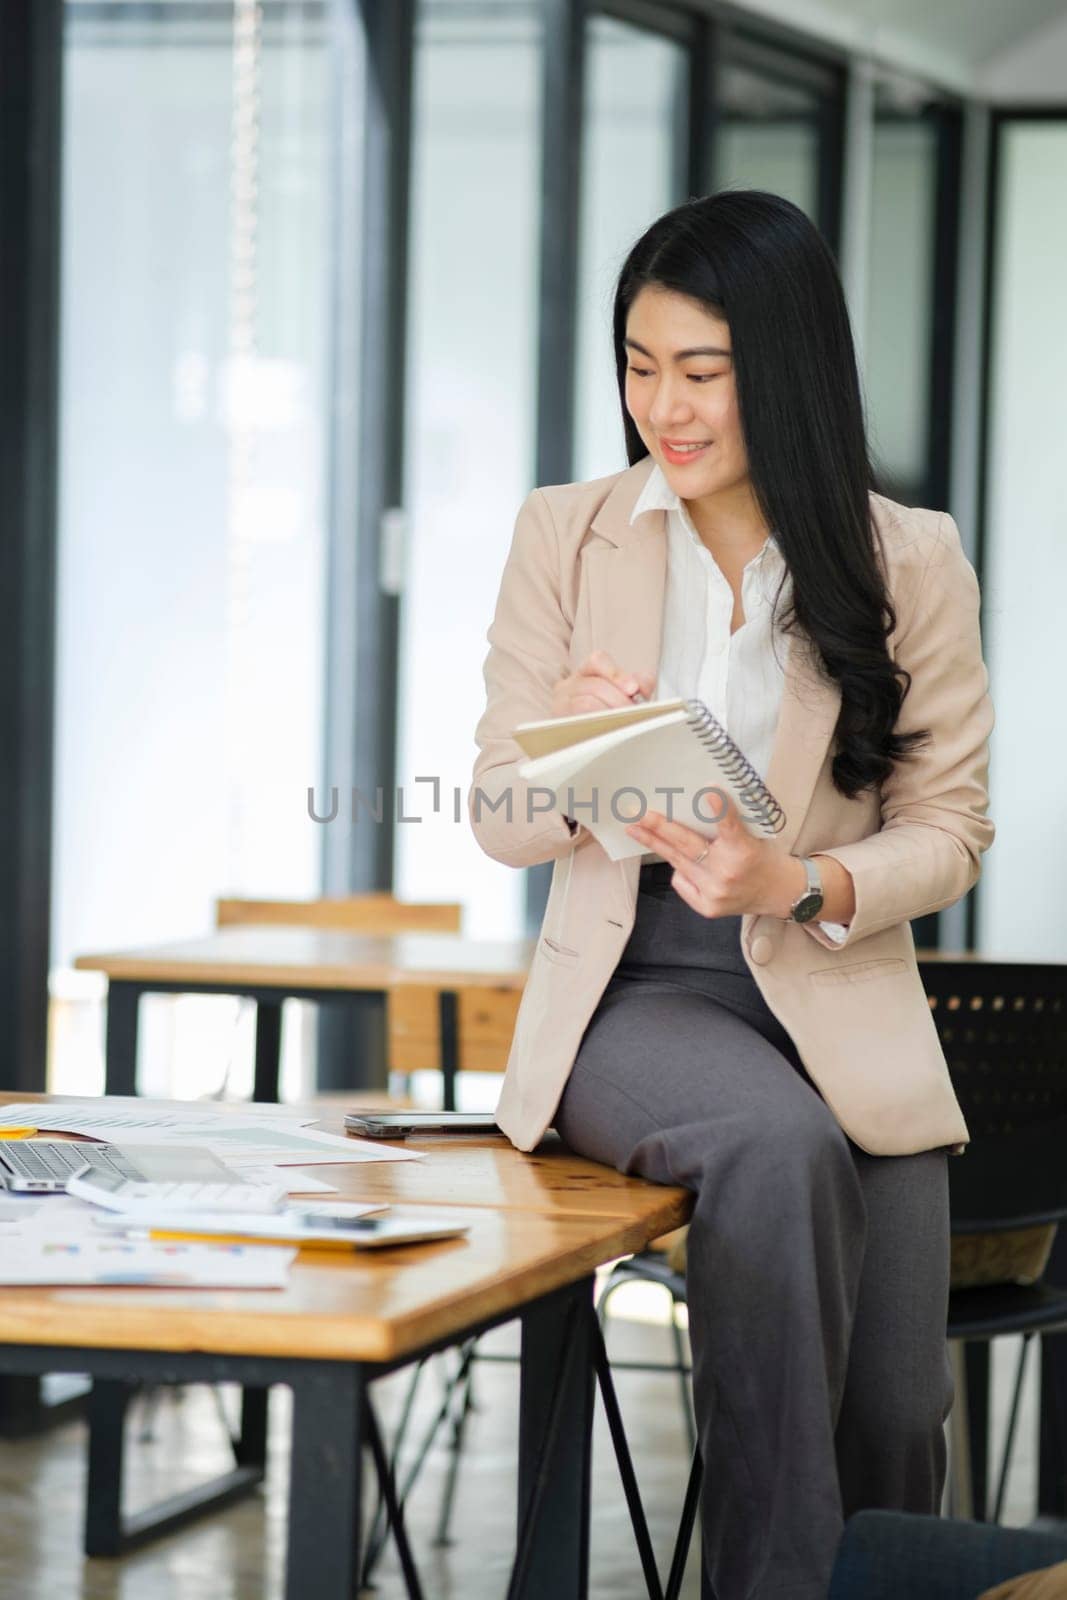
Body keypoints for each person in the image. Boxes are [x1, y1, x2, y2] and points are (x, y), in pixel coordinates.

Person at [469, 189, 994, 1599]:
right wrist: (567, 758)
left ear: (788, 366)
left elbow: (951, 829)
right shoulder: (565, 534)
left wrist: (806, 875)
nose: (665, 407)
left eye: (702, 370)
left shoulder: (909, 560)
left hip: (835, 990)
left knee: (893, 1421)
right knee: (774, 1152)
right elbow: (496, 824)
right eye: (640, 366)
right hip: (635, 990)